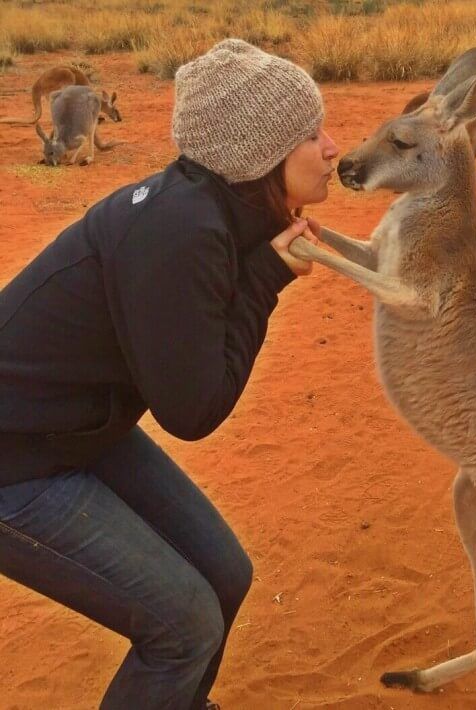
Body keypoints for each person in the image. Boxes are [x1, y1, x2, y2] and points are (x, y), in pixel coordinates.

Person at [0, 38, 338, 710]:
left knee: (225, 575)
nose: (333, 146)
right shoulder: (184, 231)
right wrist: (268, 278)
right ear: (259, 156)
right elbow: (193, 410)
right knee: (184, 625)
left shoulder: (214, 209)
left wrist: (263, 261)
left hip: (72, 432)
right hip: (14, 461)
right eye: (311, 133)